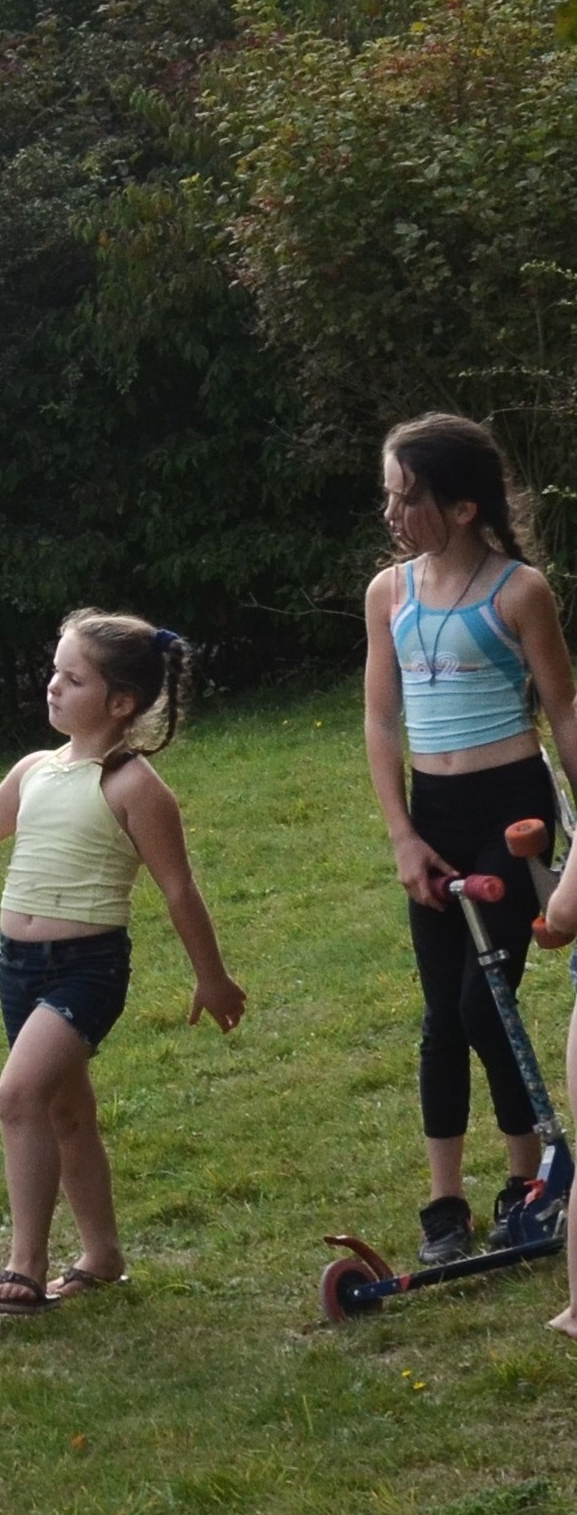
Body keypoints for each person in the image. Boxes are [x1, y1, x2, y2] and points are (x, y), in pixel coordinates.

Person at [0, 612, 249, 1313]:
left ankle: (23, 1265)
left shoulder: (132, 786)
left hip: (86, 970)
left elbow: (178, 888)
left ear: (118, 702)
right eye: (54, 671)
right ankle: (101, 1253)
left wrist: (210, 975)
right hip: (17, 968)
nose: (52, 686)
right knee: (64, 1109)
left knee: (17, 1095)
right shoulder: (35, 768)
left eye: (72, 677)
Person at [363, 413, 577, 1266]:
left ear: (459, 507)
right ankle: (443, 1202)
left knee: (478, 999)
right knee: (438, 1018)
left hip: (511, 813)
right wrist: (401, 835)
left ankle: (528, 1180)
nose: (391, 512)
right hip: (435, 814)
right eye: (387, 494)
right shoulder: (388, 593)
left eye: (407, 496)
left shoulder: (517, 590)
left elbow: (561, 708)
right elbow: (380, 720)